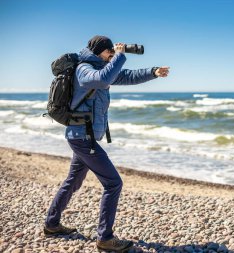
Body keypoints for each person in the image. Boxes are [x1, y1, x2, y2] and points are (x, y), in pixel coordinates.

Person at [43, 35, 169, 252]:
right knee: (113, 183)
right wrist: (119, 55)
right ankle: (105, 238)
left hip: (83, 137)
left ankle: (52, 224)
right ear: (98, 51)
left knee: (73, 180)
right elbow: (103, 79)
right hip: (83, 138)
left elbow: (126, 76)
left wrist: (153, 72)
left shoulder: (102, 68)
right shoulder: (84, 69)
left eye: (113, 50)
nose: (111, 52)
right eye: (108, 50)